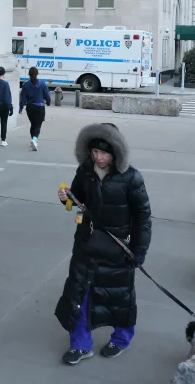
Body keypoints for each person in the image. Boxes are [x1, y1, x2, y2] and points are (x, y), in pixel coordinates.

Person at [55, 123, 152, 365]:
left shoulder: (132, 178)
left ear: (116, 152)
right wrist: (66, 199)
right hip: (86, 244)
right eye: (95, 151)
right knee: (79, 294)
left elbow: (143, 218)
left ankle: (121, 340)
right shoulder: (84, 171)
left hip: (117, 249)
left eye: (104, 152)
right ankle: (80, 345)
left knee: (120, 297)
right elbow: (78, 200)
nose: (98, 157)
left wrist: (139, 252)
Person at [19, 66, 51, 151]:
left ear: (29, 74)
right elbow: (47, 95)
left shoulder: (26, 85)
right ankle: (34, 139)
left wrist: (21, 108)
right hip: (39, 107)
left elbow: (22, 97)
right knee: (37, 125)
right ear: (37, 74)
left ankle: (33, 140)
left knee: (33, 124)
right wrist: (48, 102)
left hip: (30, 108)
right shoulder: (42, 84)